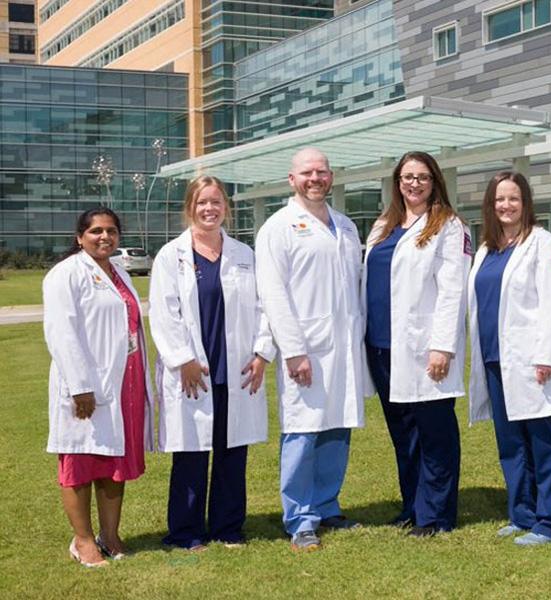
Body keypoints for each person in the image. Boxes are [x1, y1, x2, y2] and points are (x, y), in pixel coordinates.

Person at [149, 175, 274, 550]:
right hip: (192, 372)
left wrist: (262, 353)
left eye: (216, 202)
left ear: (226, 208)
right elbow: (163, 312)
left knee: (232, 452)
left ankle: (228, 527)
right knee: (191, 455)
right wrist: (182, 360)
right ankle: (185, 533)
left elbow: (264, 307)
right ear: (190, 207)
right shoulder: (172, 256)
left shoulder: (244, 255)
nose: (209, 209)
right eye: (202, 202)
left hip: (235, 369)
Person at [255, 148, 367, 551]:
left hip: (344, 347)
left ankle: (327, 505)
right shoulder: (278, 227)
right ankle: (300, 519)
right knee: (302, 432)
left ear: (331, 177)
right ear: (292, 179)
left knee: (336, 428)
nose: (315, 178)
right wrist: (293, 350)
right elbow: (273, 294)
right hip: (307, 349)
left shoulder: (346, 226)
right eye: (307, 172)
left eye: (321, 171)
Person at [363, 151, 471, 536]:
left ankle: (436, 514)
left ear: (434, 181)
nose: (414, 183)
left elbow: (452, 291)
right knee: (404, 433)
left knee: (434, 432)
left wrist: (442, 345)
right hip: (381, 347)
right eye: (407, 177)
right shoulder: (383, 225)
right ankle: (412, 505)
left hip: (424, 348)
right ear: (397, 182)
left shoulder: (450, 226)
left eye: (422, 177)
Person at [43, 207, 154, 568]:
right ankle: (83, 540)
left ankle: (111, 535)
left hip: (123, 383)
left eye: (111, 231)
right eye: (95, 231)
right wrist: (80, 387)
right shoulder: (66, 274)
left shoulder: (119, 272)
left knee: (112, 462)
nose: (104, 236)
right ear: (80, 237)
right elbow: (61, 332)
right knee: (79, 461)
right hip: (87, 387)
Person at [467, 171, 551, 547]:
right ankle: (522, 513)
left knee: (543, 440)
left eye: (513, 199)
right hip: (496, 359)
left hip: (532, 359)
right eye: (499, 199)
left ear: (526, 202)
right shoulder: (487, 248)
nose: (506, 206)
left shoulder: (545, 244)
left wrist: (546, 355)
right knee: (511, 443)